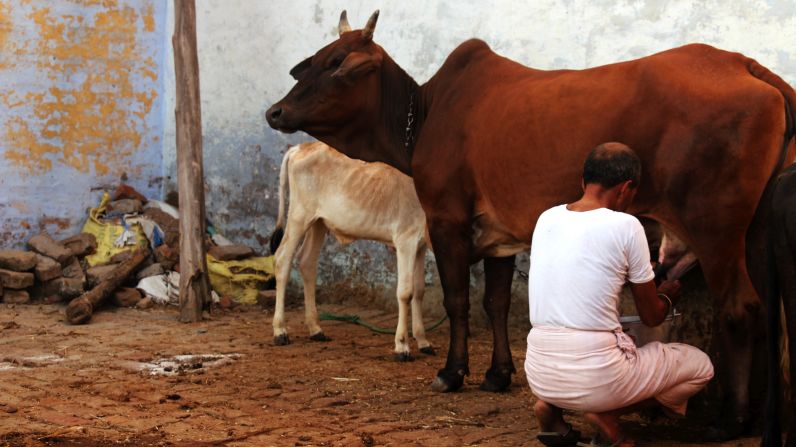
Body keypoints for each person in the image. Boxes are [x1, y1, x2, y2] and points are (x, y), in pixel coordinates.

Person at [524, 142, 714, 447]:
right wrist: (666, 296)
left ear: (583, 182)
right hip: (598, 377)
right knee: (700, 366)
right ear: (626, 189)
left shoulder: (546, 218)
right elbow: (651, 316)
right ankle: (606, 414)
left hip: (539, 372)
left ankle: (551, 409)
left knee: (605, 344)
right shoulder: (626, 226)